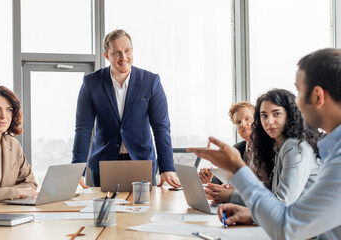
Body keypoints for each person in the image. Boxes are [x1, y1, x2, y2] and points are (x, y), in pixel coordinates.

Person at [188, 48, 341, 239]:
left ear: (318, 96)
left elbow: (287, 226)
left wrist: (237, 169)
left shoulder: (305, 150)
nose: (297, 104)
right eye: (264, 116)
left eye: (299, 92)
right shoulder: (328, 149)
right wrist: (254, 214)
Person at [72, 29, 180, 188]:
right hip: (104, 164)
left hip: (141, 162)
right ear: (107, 56)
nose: (124, 57)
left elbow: (161, 127)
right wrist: (77, 171)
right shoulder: (91, 83)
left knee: (142, 211)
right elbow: (83, 128)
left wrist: (167, 167)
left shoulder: (151, 82)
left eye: (127, 50)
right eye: (117, 52)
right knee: (104, 212)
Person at [0, 85, 37, 204]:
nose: (4, 116)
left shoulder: (13, 144)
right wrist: (15, 192)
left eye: (9, 110)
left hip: (6, 212)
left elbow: (31, 184)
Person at [199, 102, 257, 204]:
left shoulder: (271, 150)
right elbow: (221, 179)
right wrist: (208, 179)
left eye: (247, 119)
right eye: (238, 122)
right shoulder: (237, 149)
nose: (243, 124)